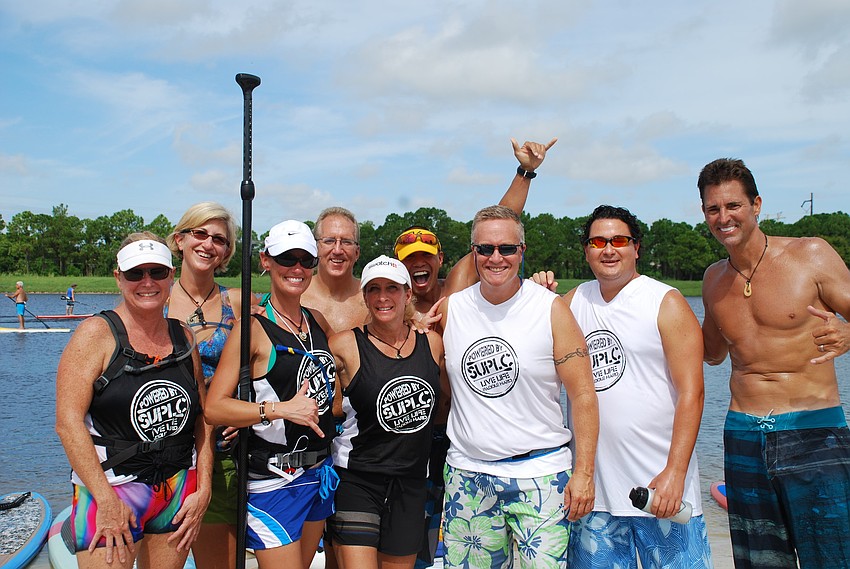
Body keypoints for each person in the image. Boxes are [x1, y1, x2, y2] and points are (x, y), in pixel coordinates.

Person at [535, 205, 711, 568]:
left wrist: (676, 472)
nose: (609, 249)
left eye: (619, 240)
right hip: (594, 494)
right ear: (586, 250)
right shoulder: (570, 304)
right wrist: (536, 295)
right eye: (598, 241)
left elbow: (692, 394)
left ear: (637, 248)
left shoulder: (666, 302)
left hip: (661, 489)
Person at [698, 158, 850, 568]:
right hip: (743, 434)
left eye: (733, 205)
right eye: (714, 209)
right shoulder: (712, 280)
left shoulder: (811, 254)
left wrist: (848, 333)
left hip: (814, 430)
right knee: (760, 561)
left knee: (833, 556)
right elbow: (710, 354)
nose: (724, 217)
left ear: (757, 205)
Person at [433, 205, 599, 568]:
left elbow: (583, 394)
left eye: (507, 248)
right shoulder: (452, 310)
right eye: (485, 249)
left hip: (541, 476)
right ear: (473, 252)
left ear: (521, 252)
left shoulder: (551, 308)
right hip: (468, 476)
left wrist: (584, 473)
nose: (496, 257)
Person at [55, 232, 213, 569]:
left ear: (171, 276)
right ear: (118, 278)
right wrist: (105, 500)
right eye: (135, 273)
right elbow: (67, 424)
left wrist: (205, 487)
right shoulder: (94, 335)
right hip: (111, 489)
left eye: (157, 272)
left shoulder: (182, 335)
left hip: (176, 487)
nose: (147, 282)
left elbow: (203, 417)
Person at [205, 220, 338, 569]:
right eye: (286, 259)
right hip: (272, 483)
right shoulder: (251, 328)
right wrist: (278, 410)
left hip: (317, 475)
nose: (296, 269)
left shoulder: (317, 321)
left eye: (305, 260)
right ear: (266, 261)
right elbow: (215, 407)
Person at [326, 255, 449, 569]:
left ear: (408, 294)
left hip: (410, 482)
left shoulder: (432, 343)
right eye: (374, 289)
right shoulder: (343, 345)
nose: (383, 297)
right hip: (358, 481)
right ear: (365, 296)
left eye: (392, 288)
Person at [165, 202, 243, 569]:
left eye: (219, 239)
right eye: (200, 234)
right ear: (180, 239)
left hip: (222, 455)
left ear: (227, 252)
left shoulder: (238, 303)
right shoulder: (152, 298)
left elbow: (274, 353)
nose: (208, 244)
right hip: (164, 456)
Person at [302, 207, 369, 334]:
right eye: (329, 241)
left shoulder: (373, 300)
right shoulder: (295, 296)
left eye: (347, 242)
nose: (337, 250)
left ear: (357, 252)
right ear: (316, 248)